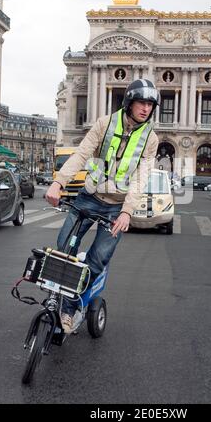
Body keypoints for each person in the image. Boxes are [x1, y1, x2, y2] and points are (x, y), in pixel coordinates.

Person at [46, 79, 159, 333]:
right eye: (141, 102)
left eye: (150, 104)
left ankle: (70, 308)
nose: (145, 108)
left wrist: (127, 211)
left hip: (116, 207)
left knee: (98, 260)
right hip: (89, 196)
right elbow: (81, 154)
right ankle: (57, 297)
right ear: (129, 102)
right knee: (63, 246)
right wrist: (58, 183)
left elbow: (142, 177)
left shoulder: (150, 139)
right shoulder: (104, 124)